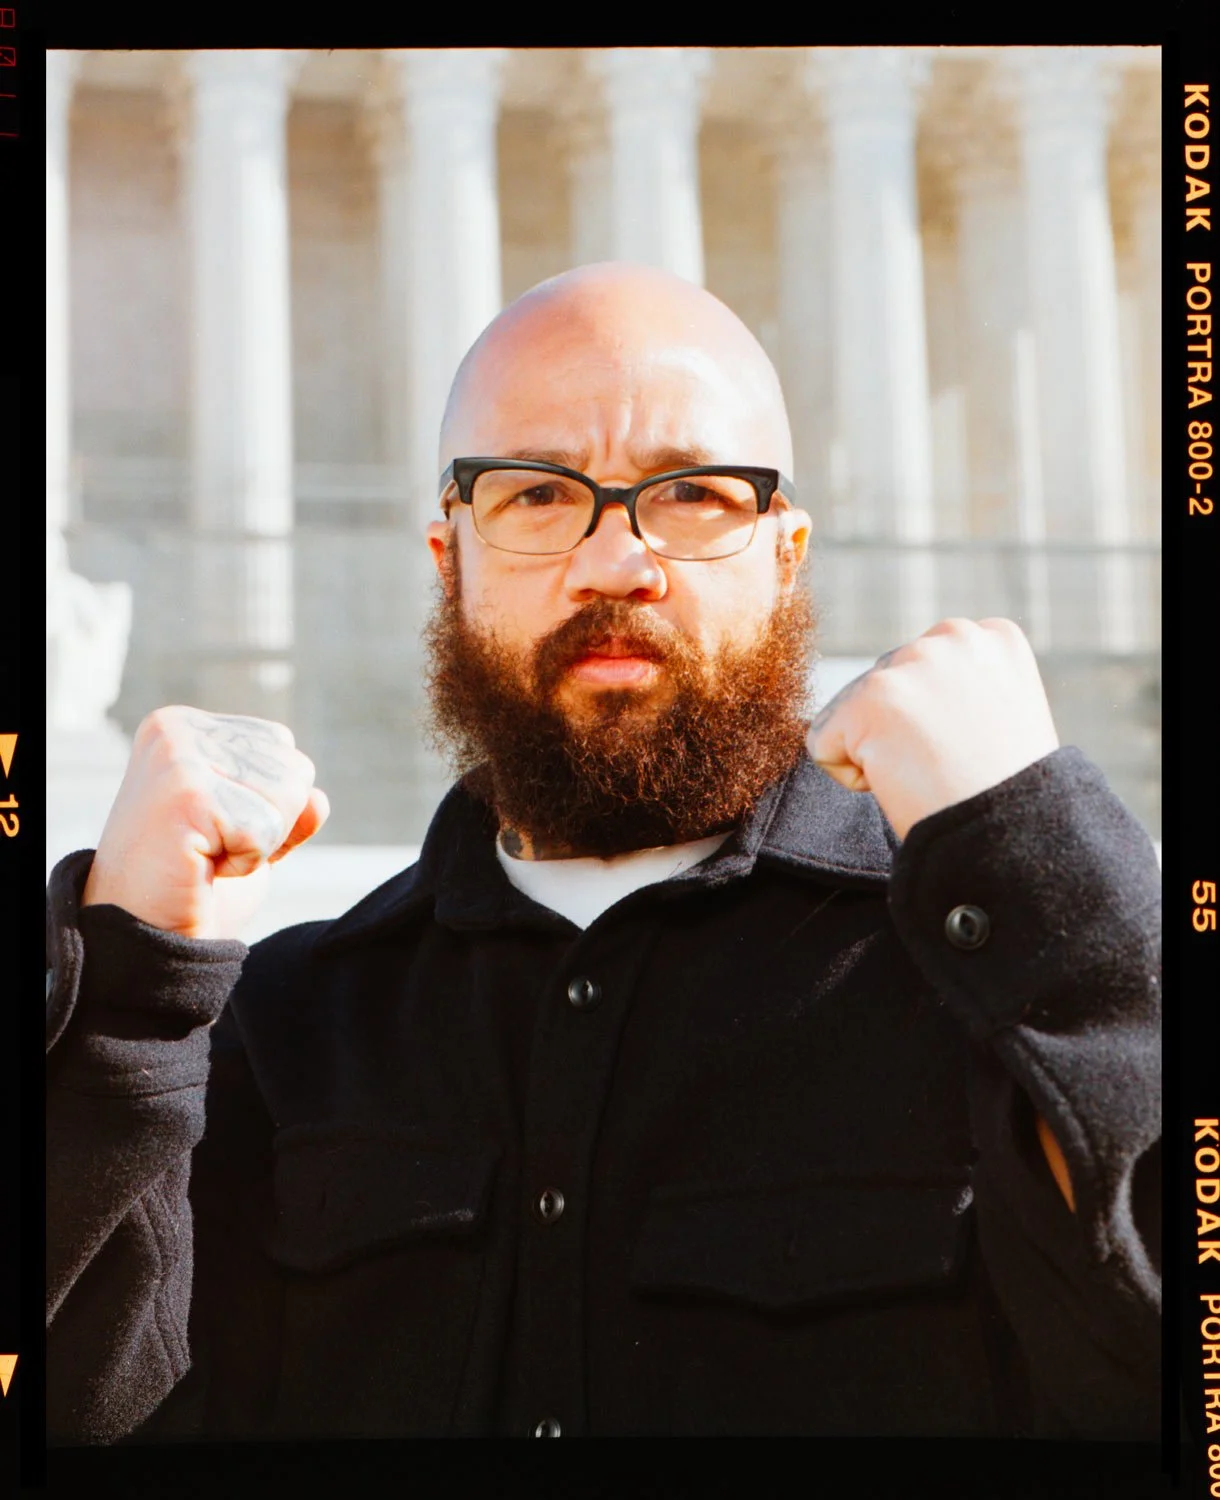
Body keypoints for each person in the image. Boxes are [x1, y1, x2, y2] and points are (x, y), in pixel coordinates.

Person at [45, 262, 1161, 1443]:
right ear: (449, 559)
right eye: (535, 494)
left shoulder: (978, 988)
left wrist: (1040, 863)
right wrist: (123, 998)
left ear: (785, 554)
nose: (615, 562)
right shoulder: (287, 1026)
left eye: (692, 494)